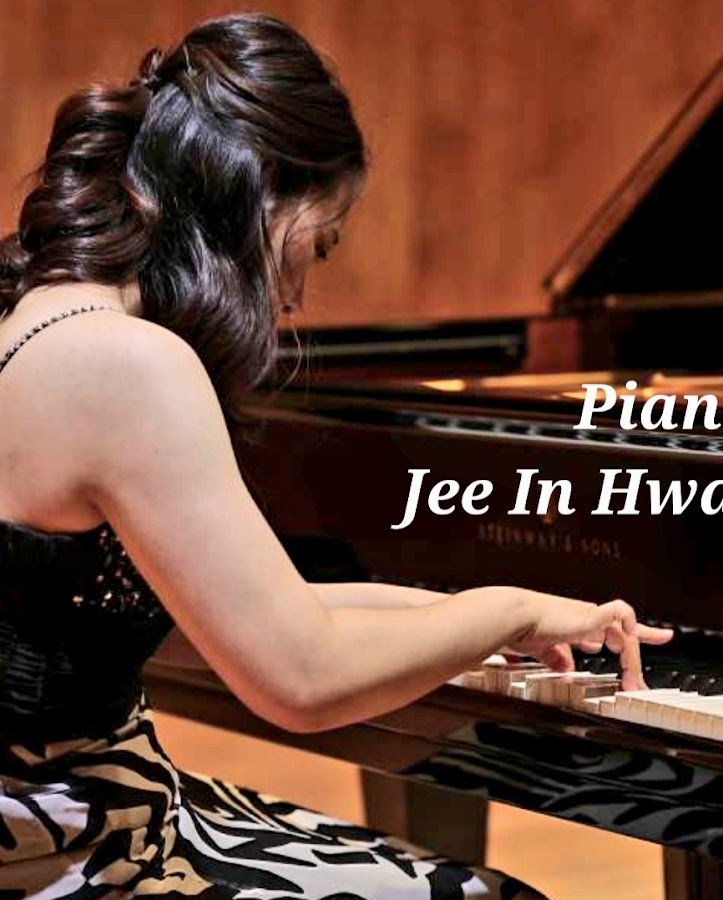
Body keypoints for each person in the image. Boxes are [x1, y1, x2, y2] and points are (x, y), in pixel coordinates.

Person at [0, 13, 672, 898]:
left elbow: (256, 608)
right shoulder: (126, 364)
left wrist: (490, 617)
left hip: (67, 812)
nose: (297, 294)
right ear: (259, 197)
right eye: (317, 243)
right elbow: (302, 681)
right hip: (78, 849)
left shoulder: (43, 316)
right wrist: (505, 608)